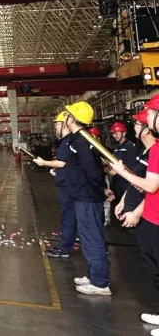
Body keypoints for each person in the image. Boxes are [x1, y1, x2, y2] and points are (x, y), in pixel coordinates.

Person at [111, 95, 159, 332]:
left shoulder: (156, 151)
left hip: (155, 217)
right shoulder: (150, 151)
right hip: (151, 216)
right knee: (154, 266)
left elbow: (150, 186)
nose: (146, 118)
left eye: (149, 113)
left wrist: (122, 172)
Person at [62, 101, 112, 296]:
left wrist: (99, 189)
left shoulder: (82, 141)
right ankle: (93, 275)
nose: (64, 119)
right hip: (85, 195)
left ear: (72, 119)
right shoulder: (82, 139)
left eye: (67, 115)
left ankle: (100, 283)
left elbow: (93, 170)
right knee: (88, 237)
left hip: (87, 197)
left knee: (92, 239)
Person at [34, 112, 76, 259]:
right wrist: (57, 171)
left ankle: (65, 248)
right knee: (74, 217)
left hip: (69, 187)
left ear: (65, 124)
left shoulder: (67, 142)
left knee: (68, 217)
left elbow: (61, 163)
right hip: (72, 184)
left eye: (57, 124)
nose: (56, 127)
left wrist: (43, 163)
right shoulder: (72, 141)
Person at [114, 110, 152, 230]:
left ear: (146, 130)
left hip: (146, 216)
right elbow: (134, 180)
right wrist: (123, 201)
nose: (134, 126)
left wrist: (136, 214)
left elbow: (152, 190)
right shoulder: (142, 152)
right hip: (134, 211)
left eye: (137, 123)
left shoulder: (153, 154)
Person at [110, 121, 138, 203]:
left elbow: (131, 166)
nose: (114, 135)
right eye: (113, 133)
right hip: (117, 184)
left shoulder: (130, 147)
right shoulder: (117, 148)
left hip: (126, 184)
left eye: (116, 133)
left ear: (124, 133)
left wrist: (117, 172)